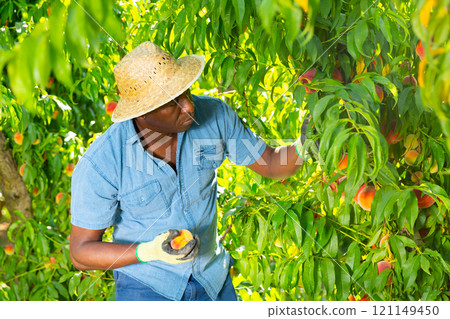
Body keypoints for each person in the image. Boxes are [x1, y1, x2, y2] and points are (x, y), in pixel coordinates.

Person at [69, 42, 311, 301]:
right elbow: (81, 253)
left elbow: (272, 164)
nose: (188, 106)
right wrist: (148, 251)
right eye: (173, 102)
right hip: (147, 288)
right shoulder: (103, 161)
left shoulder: (215, 115)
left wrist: (306, 144)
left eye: (187, 92)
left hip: (212, 279)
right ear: (142, 113)